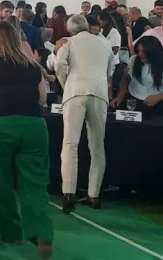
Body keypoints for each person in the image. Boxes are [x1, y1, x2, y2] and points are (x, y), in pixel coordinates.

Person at [0, 21, 53, 258]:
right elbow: (42, 99)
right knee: (35, 183)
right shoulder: (32, 66)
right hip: (33, 127)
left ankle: (11, 232)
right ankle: (42, 231)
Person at [54, 14, 114, 214]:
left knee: (70, 144)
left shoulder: (68, 42)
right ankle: (94, 195)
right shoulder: (104, 43)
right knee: (97, 146)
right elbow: (110, 70)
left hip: (75, 92)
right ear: (87, 27)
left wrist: (66, 85)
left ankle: (68, 193)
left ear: (69, 30)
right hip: (99, 93)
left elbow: (59, 65)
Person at [111, 35, 163, 117]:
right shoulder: (133, 60)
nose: (140, 54)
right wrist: (119, 96)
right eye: (138, 51)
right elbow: (125, 79)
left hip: (160, 106)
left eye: (143, 51)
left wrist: (158, 97)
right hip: (134, 103)